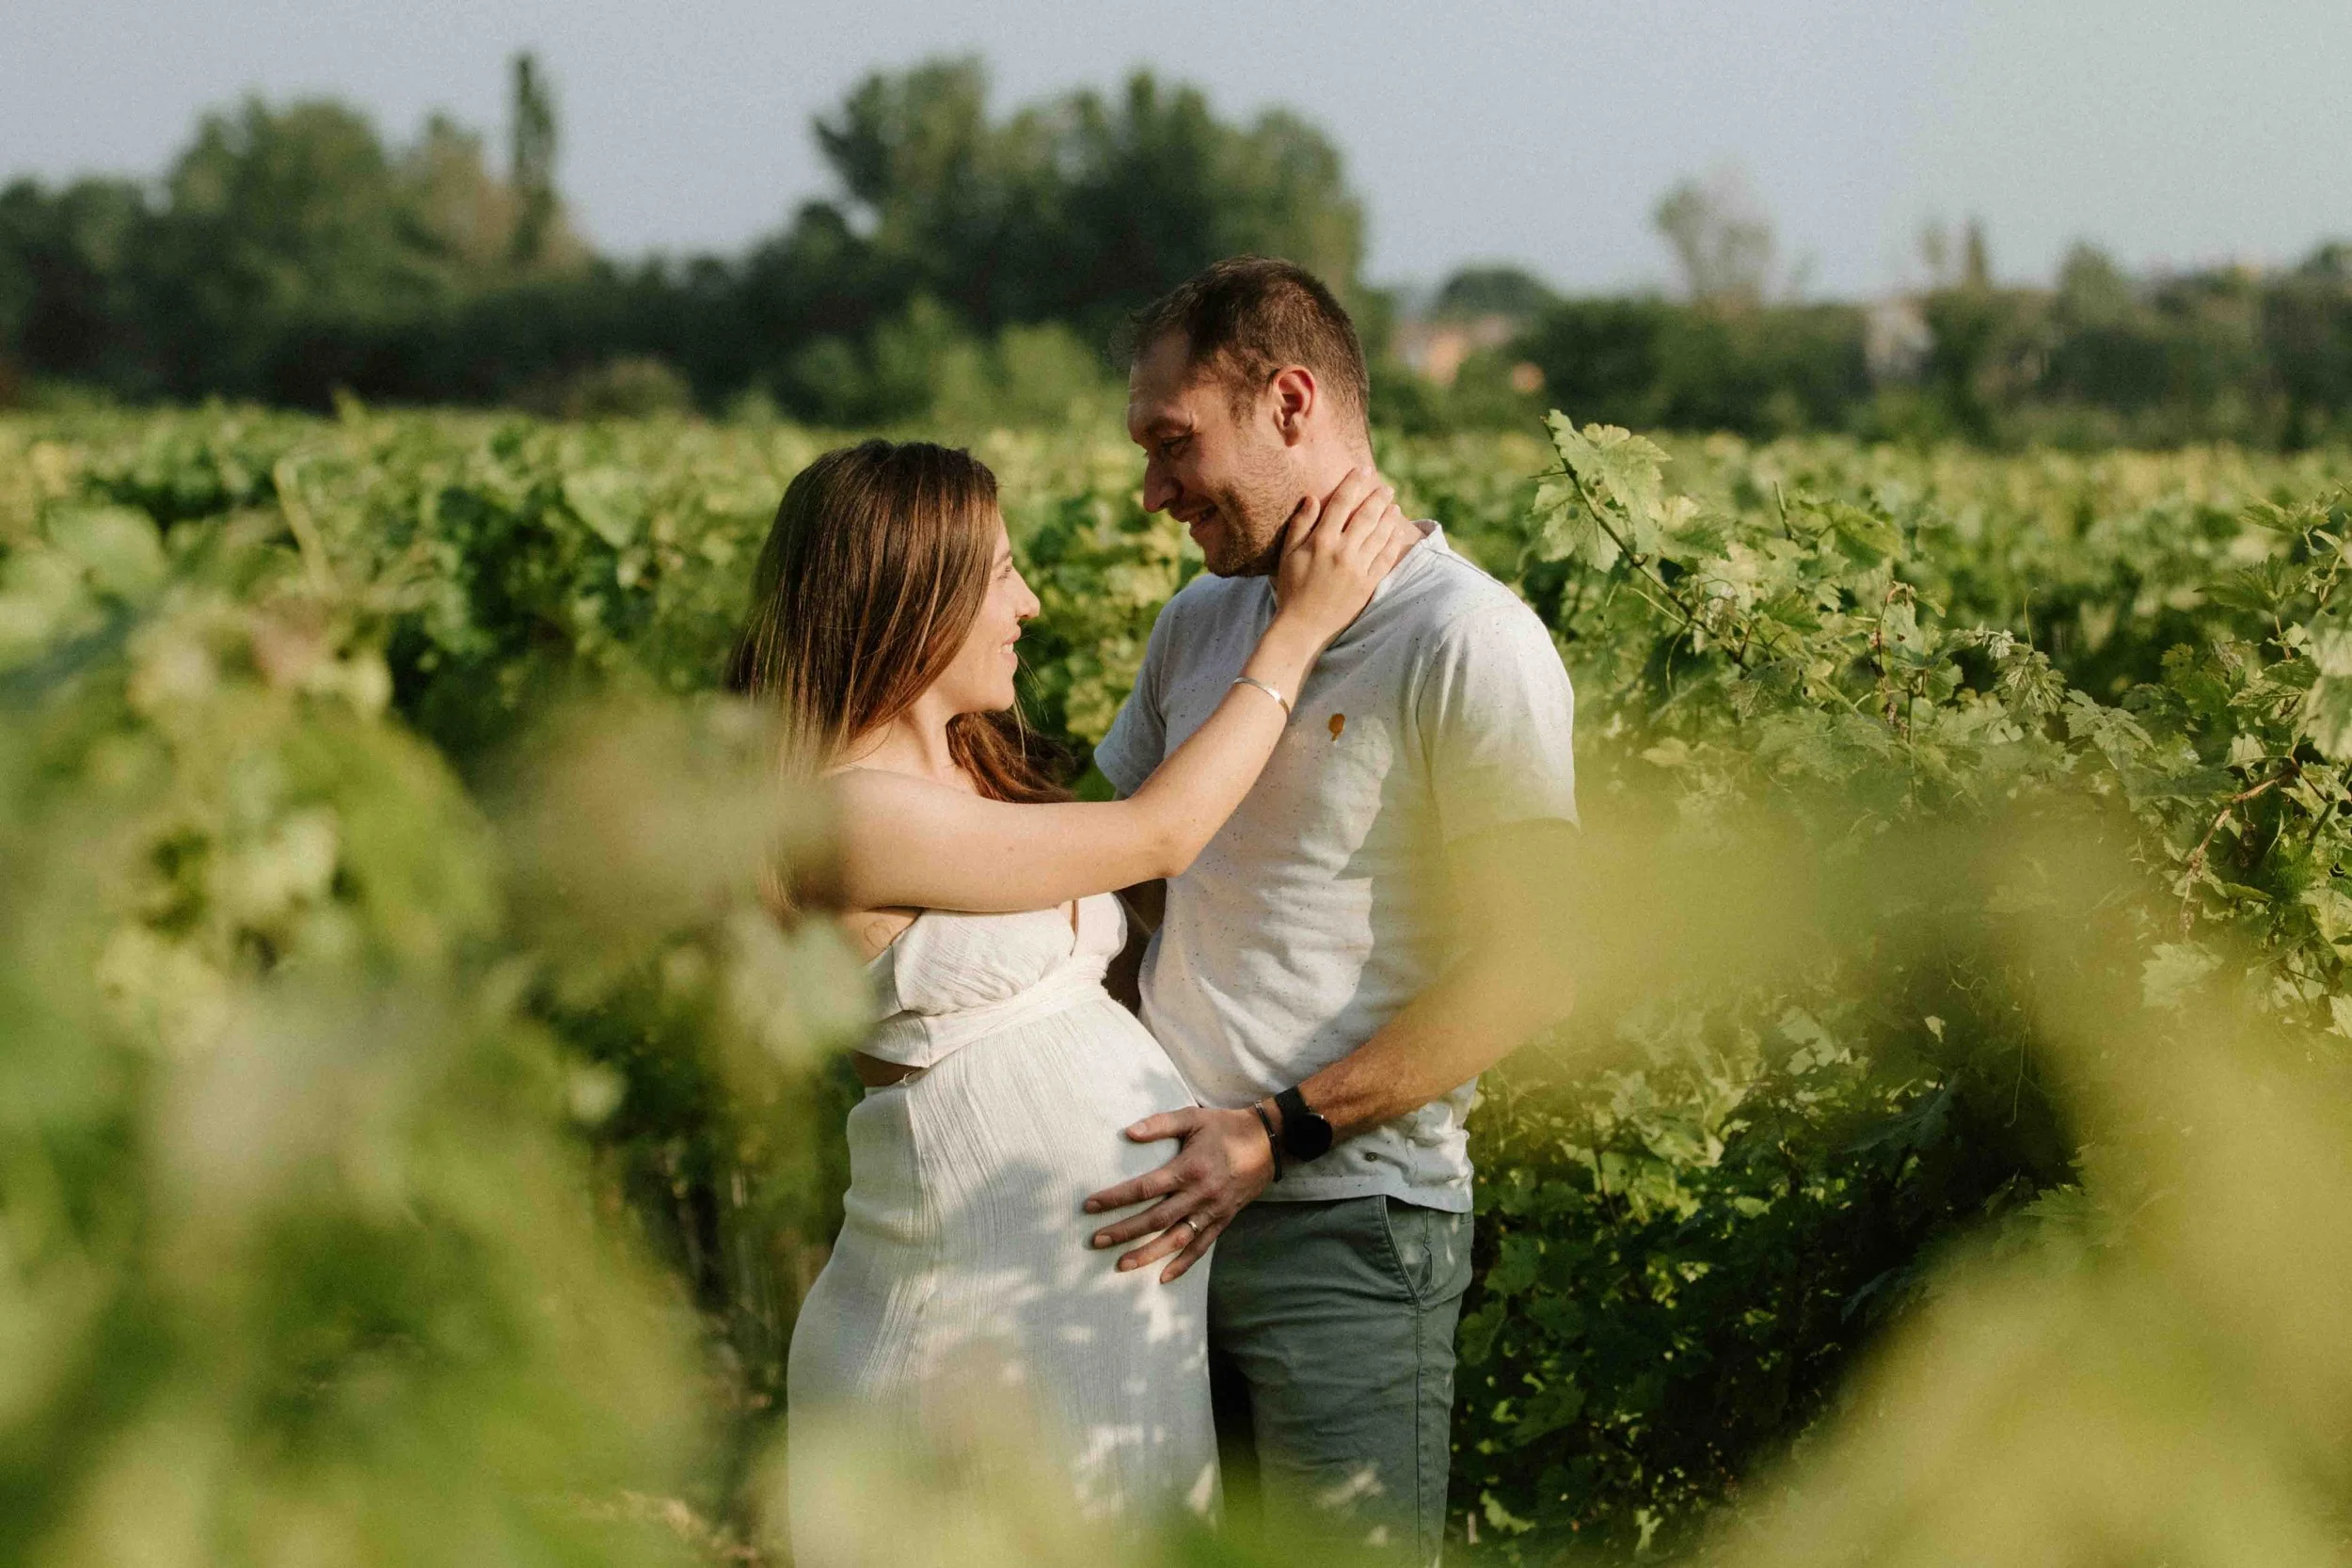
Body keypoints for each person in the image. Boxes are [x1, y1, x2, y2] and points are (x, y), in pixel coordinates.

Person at [736, 439, 1415, 1550]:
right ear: (914, 594)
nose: (1031, 604)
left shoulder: (968, 770)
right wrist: (1296, 631)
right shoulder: (848, 815)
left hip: (1082, 1324)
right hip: (967, 1328)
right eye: (1002, 574)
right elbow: (1160, 832)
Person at [1083, 257, 1581, 1563]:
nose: (1153, 491)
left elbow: (1534, 966)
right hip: (1159, 1222)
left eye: (1174, 442)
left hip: (1348, 1232)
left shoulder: (1469, 640)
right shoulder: (1198, 625)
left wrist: (1277, 1130)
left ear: (1290, 403)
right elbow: (1120, 893)